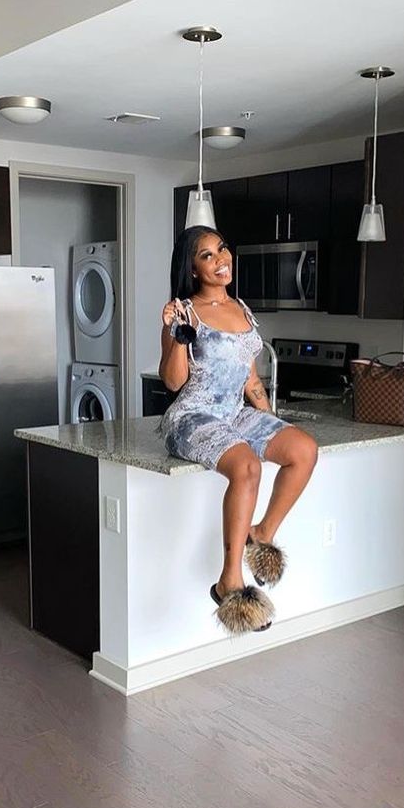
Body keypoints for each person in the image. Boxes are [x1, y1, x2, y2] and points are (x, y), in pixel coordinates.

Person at [159, 225, 318, 635]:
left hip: (233, 412)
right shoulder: (184, 311)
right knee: (247, 467)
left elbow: (249, 382)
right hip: (192, 416)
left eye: (222, 249)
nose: (220, 259)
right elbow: (173, 382)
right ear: (192, 269)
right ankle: (229, 578)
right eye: (207, 255)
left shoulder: (242, 310)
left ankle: (261, 533)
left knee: (303, 450)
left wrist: (271, 420)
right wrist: (177, 335)